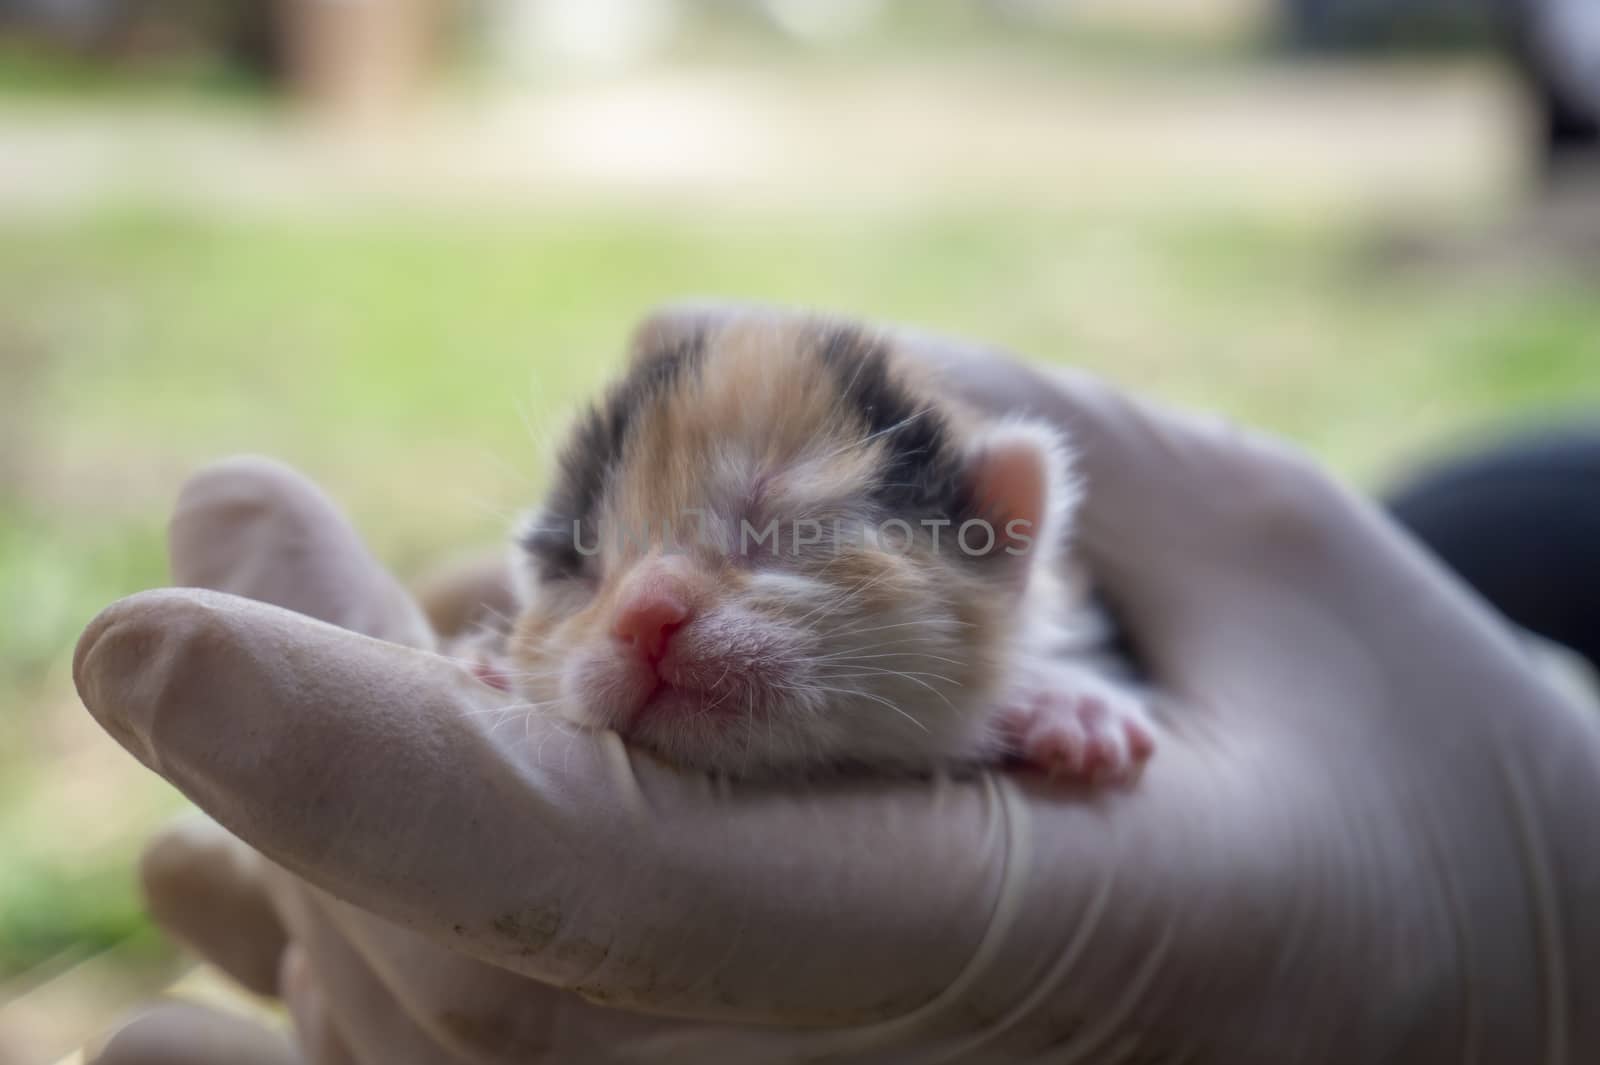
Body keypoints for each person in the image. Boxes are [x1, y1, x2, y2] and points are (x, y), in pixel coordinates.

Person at [76, 309, 1600, 1064]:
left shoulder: (1068, 661)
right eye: (595, 569)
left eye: (786, 536)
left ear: (1003, 533)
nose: (655, 607)